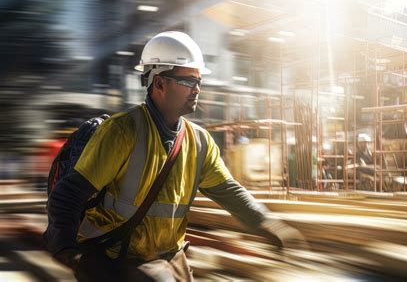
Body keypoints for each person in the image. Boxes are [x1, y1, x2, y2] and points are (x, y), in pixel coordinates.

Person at [44, 31, 307, 281]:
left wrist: (267, 224)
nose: (197, 89)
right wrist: (68, 249)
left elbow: (229, 191)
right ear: (159, 82)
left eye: (199, 81)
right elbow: (69, 194)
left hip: (168, 256)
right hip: (114, 256)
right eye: (189, 81)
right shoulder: (123, 131)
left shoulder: (200, 142)